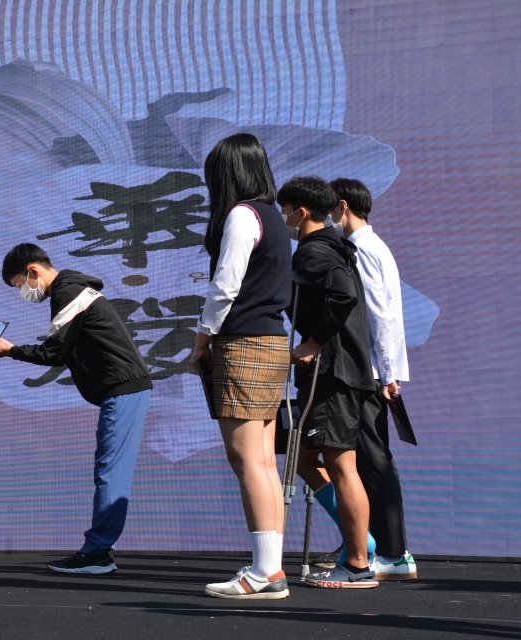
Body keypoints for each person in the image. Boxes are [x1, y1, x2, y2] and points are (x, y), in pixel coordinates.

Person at [0, 243, 153, 575]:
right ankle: (101, 550)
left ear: (33, 271)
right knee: (111, 471)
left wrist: (10, 350)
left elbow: (54, 353)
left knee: (109, 472)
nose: (23, 292)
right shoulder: (72, 288)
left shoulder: (68, 291)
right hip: (125, 388)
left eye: (19, 285)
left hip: (123, 389)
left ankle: (98, 554)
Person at [188, 133, 292, 600]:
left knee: (247, 458)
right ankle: (270, 567)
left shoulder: (242, 214)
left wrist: (200, 342)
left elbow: (224, 286)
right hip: (272, 340)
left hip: (243, 342)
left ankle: (265, 572)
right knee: (262, 460)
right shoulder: (273, 215)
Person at [297, 178, 417, 580]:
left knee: (369, 460)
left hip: (361, 371)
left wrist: (385, 372)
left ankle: (390, 551)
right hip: (369, 368)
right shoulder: (369, 246)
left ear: (342, 206)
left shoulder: (361, 249)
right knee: (364, 458)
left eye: (332, 206)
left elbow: (377, 314)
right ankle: (373, 546)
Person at [279, 176, 379, 589]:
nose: (281, 219)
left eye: (284, 212)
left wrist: (313, 342)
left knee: (342, 466)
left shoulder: (315, 252)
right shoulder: (329, 248)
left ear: (301, 212)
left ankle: (358, 564)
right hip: (334, 373)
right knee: (299, 457)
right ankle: (363, 543)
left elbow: (342, 296)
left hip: (333, 372)